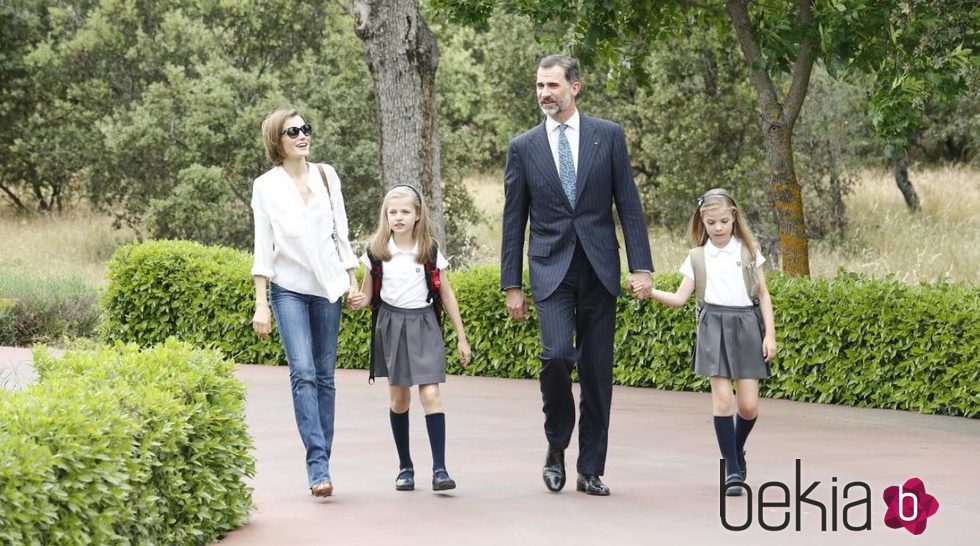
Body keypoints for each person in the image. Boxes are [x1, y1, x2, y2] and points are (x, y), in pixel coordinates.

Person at [500, 54, 654, 497]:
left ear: (575, 87)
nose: (544, 93)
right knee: (554, 357)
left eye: (552, 85)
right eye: (539, 86)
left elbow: (629, 205)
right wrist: (512, 283)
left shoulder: (608, 137)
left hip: (600, 268)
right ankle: (555, 445)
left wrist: (640, 267)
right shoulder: (523, 147)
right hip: (550, 270)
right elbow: (513, 222)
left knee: (596, 372)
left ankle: (590, 469)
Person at [251, 108, 363, 498]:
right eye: (292, 131)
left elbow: (341, 234)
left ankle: (322, 464)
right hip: (289, 289)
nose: (302, 136)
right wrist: (261, 303)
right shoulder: (265, 186)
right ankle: (317, 464)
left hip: (328, 289)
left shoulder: (327, 175)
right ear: (276, 141)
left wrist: (352, 282)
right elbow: (263, 245)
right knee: (303, 373)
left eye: (305, 129)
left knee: (326, 377)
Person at [641, 188, 776, 497]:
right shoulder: (696, 257)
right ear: (702, 221)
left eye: (724, 221)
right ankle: (731, 469)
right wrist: (650, 292)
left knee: (749, 407)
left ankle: (736, 451)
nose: (718, 227)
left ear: (734, 219)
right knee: (723, 402)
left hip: (747, 325)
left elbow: (763, 295)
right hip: (712, 326)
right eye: (712, 222)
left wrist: (770, 334)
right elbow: (679, 299)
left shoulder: (749, 251)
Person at [350, 185, 471, 492]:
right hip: (391, 325)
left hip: (425, 324)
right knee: (399, 399)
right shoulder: (376, 252)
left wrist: (461, 336)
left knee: (431, 395)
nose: (399, 217)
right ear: (386, 216)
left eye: (405, 212)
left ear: (418, 215)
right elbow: (366, 297)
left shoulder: (429, 250)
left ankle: (440, 469)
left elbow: (446, 292)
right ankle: (405, 467)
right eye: (393, 212)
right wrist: (354, 300)